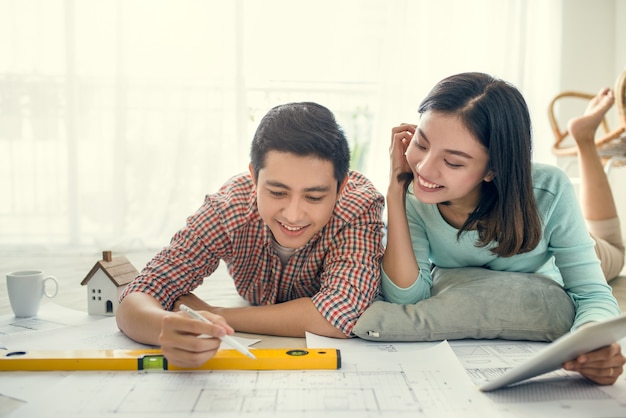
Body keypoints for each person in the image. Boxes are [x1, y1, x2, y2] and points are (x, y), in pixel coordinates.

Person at [384, 72, 625, 385]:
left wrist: (591, 348)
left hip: (564, 247)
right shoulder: (415, 194)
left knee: (615, 252)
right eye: (421, 143)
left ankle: (583, 141)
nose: (425, 169)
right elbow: (406, 297)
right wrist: (395, 190)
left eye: (453, 162)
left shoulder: (548, 190)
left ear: (493, 169)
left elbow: (593, 294)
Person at [116, 102, 385, 368]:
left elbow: (340, 314)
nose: (293, 215)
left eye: (314, 197)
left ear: (340, 189)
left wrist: (215, 316)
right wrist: (165, 327)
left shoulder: (358, 205)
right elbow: (137, 296)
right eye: (277, 193)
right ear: (254, 178)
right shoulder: (230, 207)